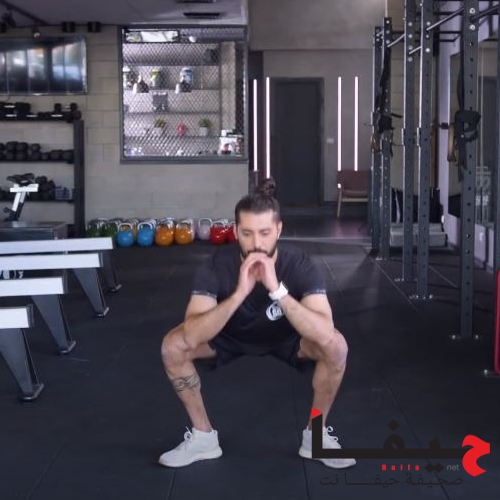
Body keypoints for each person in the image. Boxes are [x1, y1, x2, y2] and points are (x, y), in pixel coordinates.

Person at [159, 193, 355, 469]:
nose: (256, 244)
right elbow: (191, 336)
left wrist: (277, 290)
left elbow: (324, 333)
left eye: (264, 233)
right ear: (236, 230)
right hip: (228, 337)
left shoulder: (300, 265)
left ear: (278, 229)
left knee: (336, 346)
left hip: (288, 338)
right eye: (247, 233)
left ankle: (316, 437)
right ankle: (203, 438)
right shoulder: (215, 265)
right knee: (173, 346)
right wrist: (240, 292)